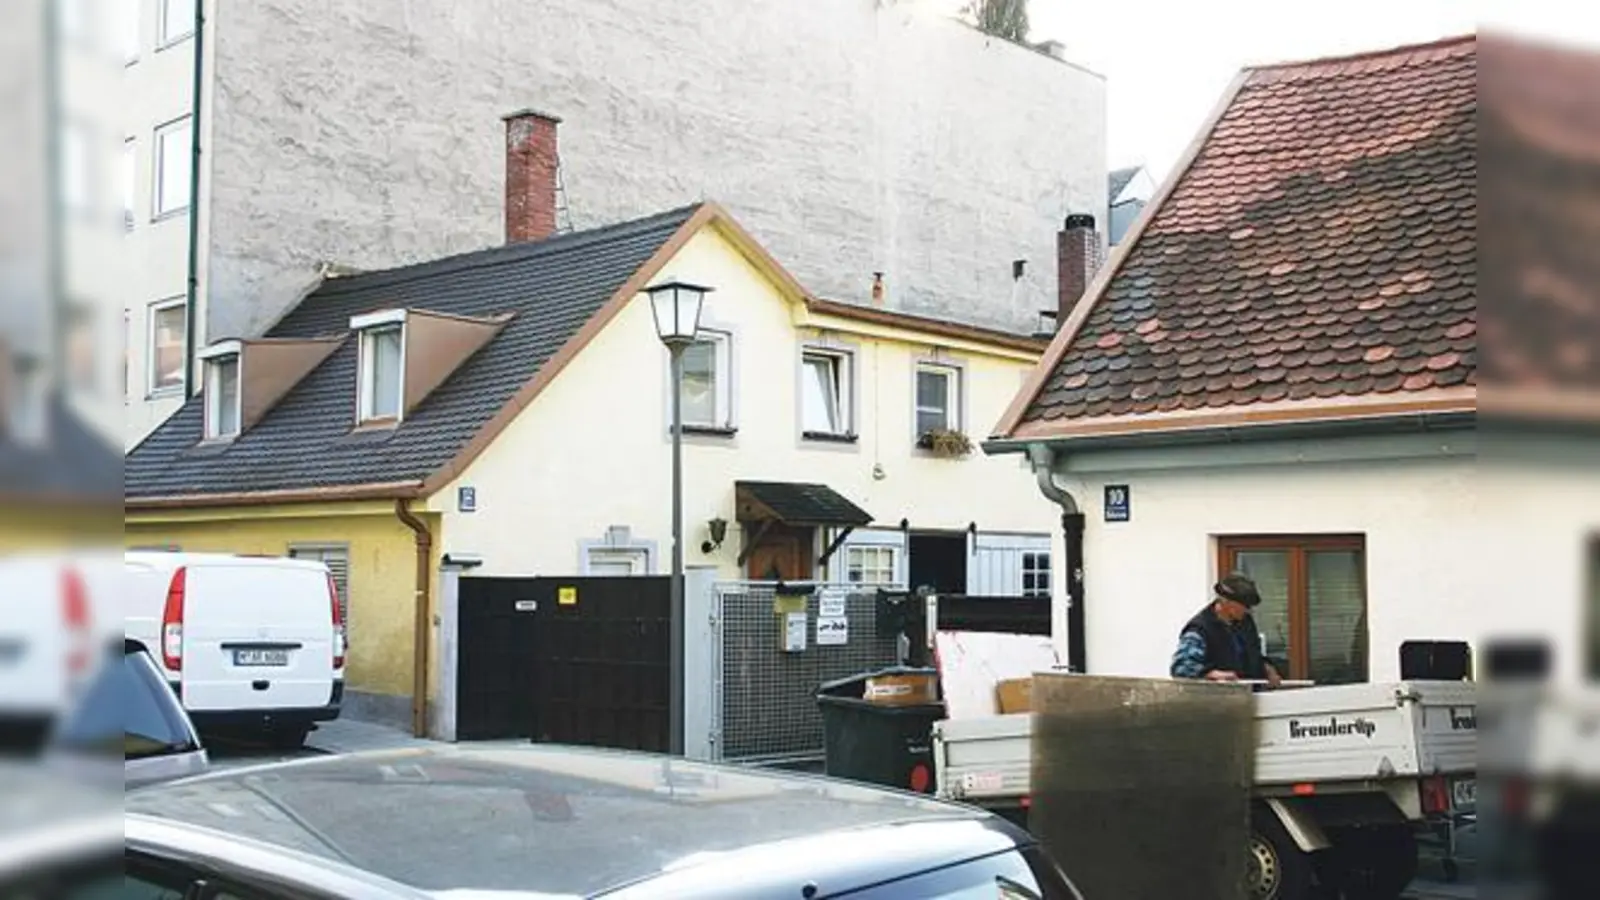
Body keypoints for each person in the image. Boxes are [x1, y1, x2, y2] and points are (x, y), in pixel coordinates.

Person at [1169, 573, 1283, 687]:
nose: (1248, 610)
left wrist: (1268, 669)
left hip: (1249, 697)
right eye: (1245, 605)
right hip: (1217, 700)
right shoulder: (1200, 629)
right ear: (1225, 601)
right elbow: (1181, 668)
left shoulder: (1245, 623)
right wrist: (1212, 674)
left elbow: (1254, 655)